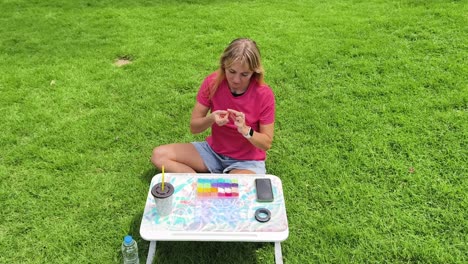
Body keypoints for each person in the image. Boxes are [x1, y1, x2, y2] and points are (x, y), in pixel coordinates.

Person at [151, 38, 275, 174]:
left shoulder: (263, 93)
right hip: (213, 152)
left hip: (246, 162)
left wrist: (246, 130)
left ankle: (214, 181)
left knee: (234, 186)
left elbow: (266, 143)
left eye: (244, 74)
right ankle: (196, 183)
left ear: (254, 72)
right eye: (231, 71)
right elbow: (194, 127)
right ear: (224, 66)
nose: (236, 80)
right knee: (159, 155)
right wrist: (211, 119)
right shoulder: (212, 82)